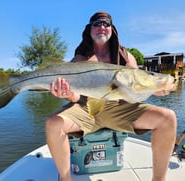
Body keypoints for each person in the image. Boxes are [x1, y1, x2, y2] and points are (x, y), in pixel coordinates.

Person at [46, 11, 177, 181]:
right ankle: (65, 179)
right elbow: (77, 98)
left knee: (168, 117)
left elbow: (133, 95)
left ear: (112, 30)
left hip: (119, 110)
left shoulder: (126, 57)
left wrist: (152, 90)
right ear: (89, 29)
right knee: (53, 123)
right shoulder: (79, 59)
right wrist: (68, 95)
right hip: (87, 111)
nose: (102, 27)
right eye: (97, 24)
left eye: (106, 24)